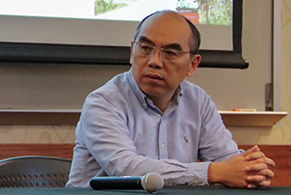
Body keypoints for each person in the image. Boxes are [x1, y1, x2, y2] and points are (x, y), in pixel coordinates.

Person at [67, 10, 275, 188]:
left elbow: (226, 159)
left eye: (170, 53)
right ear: (132, 51)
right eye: (145, 48)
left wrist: (250, 170)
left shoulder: (198, 101)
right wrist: (212, 172)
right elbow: (127, 168)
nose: (154, 61)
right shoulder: (103, 102)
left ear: (193, 64)